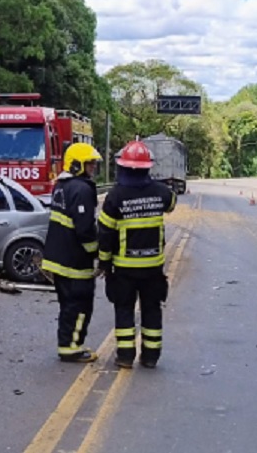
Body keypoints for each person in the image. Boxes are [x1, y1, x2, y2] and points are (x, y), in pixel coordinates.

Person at [98, 139, 177, 370]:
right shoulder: (160, 192)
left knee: (124, 310)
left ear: (123, 167)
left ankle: (125, 356)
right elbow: (172, 203)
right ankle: (151, 357)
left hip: (124, 269)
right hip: (153, 268)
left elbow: (105, 234)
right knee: (152, 311)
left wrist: (104, 262)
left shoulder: (115, 196)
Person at [42, 142, 102, 363]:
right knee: (80, 305)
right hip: (74, 262)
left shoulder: (61, 185)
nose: (93, 166)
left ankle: (66, 343)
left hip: (58, 259)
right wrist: (97, 253)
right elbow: (85, 229)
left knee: (68, 305)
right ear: (77, 164)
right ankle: (72, 348)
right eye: (90, 163)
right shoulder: (82, 189)